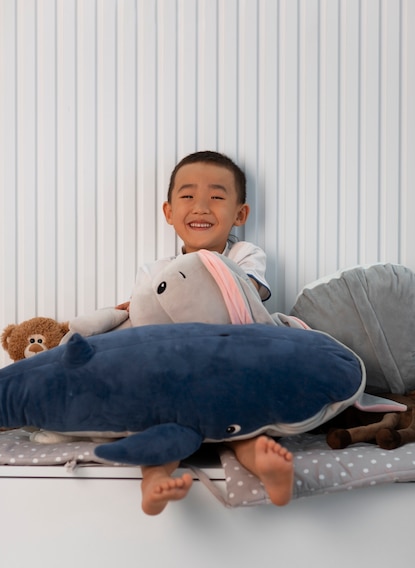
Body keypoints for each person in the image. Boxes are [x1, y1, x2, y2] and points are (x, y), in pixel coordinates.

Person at [119, 151, 293, 515]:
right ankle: (154, 481)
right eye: (187, 197)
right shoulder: (154, 270)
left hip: (232, 366)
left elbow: (247, 295)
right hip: (179, 376)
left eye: (216, 197)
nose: (201, 207)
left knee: (246, 430)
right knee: (161, 431)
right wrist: (131, 309)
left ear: (239, 214)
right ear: (169, 212)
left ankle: (267, 469)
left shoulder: (246, 254)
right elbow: (145, 323)